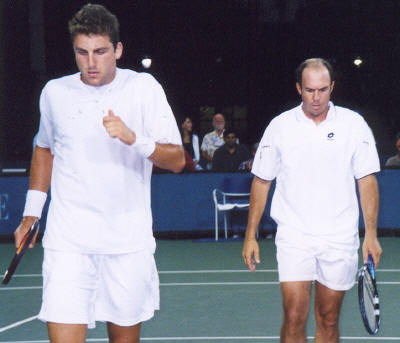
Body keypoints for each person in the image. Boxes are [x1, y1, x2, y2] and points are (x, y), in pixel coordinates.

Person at [14, 4, 185, 343]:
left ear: (118, 50)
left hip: (126, 244)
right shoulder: (54, 94)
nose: (91, 63)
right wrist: (31, 212)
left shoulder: (144, 89)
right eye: (82, 52)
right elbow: (45, 148)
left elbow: (177, 159)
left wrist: (133, 138)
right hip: (69, 243)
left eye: (101, 52)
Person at [242, 58, 382, 343]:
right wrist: (250, 235)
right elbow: (262, 180)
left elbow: (366, 180)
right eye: (309, 90)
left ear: (332, 87)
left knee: (328, 319)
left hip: (340, 237)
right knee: (294, 316)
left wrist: (371, 235)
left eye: (322, 90)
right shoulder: (279, 127)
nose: (316, 97)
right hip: (295, 235)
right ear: (298, 89)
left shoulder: (354, 125)